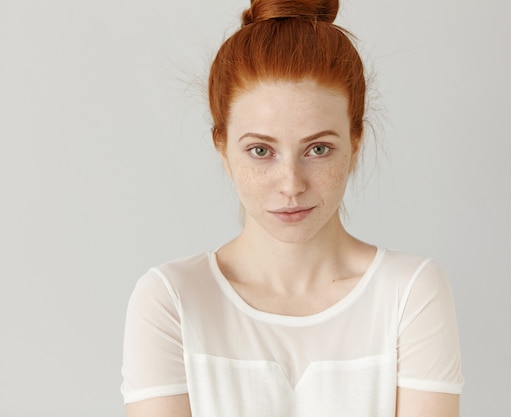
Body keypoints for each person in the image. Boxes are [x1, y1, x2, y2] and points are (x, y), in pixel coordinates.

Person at [121, 0, 464, 415]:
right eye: (261, 150)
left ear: (355, 144)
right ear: (223, 149)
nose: (291, 185)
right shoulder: (172, 300)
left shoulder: (409, 293)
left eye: (318, 149)